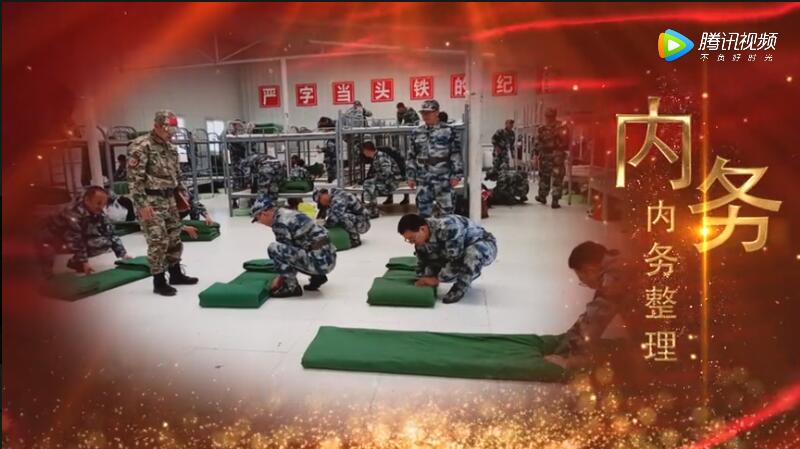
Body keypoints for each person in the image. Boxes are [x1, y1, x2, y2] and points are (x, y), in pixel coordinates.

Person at [128, 110, 198, 297]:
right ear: (157, 126)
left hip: (170, 199)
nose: (171, 135)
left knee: (174, 237)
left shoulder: (171, 149)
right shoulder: (141, 146)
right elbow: (134, 180)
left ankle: (175, 274)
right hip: (150, 201)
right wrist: (142, 204)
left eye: (173, 131)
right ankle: (159, 281)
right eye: (168, 131)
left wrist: (185, 196)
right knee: (158, 240)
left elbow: (177, 176)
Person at [544, 241, 635, 369]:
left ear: (589, 270)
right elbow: (590, 316)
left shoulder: (614, 279)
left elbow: (594, 321)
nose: (586, 284)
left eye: (582, 280)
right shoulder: (620, 264)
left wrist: (569, 362)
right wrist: (567, 340)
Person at [397, 213, 496, 304]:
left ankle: (461, 287)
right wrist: (422, 276)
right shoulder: (422, 237)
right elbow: (423, 262)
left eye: (412, 239)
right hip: (457, 250)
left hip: (483, 244)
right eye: (408, 240)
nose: (411, 243)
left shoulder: (448, 227)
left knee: (471, 254)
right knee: (432, 264)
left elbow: (456, 260)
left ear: (422, 229)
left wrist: (436, 279)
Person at [250, 195, 337, 297]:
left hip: (319, 262)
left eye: (258, 219)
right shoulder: (286, 213)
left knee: (274, 249)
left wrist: (280, 279)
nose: (260, 223)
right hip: (329, 257)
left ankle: (291, 287)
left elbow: (286, 257)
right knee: (297, 246)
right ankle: (318, 276)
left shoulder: (279, 223)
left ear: (264, 214)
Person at [39, 186, 130, 277]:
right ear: (87, 200)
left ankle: (76, 263)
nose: (101, 207)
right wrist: (85, 262)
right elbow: (75, 239)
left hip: (68, 238)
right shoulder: (72, 212)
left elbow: (110, 233)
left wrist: (123, 254)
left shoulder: (99, 213)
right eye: (98, 203)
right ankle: (44, 273)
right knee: (47, 249)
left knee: (103, 242)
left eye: (104, 204)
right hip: (51, 238)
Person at [407, 99, 463, 218]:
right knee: (423, 215)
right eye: (423, 113)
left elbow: (455, 153)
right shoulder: (417, 132)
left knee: (447, 214)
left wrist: (456, 175)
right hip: (423, 179)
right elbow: (411, 155)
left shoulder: (448, 131)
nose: (425, 115)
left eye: (428, 112)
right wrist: (411, 176)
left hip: (443, 178)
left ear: (437, 112)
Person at [534, 108, 569, 209]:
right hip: (557, 155)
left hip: (545, 156)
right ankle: (555, 200)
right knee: (557, 177)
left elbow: (538, 143)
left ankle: (542, 196)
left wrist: (536, 154)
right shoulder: (562, 126)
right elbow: (566, 141)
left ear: (546, 116)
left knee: (544, 177)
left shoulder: (542, 128)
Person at [361, 141, 401, 218]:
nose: (363, 153)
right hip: (386, 181)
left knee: (369, 186)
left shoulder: (381, 157)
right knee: (369, 186)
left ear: (367, 150)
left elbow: (387, 173)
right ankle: (372, 210)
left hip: (392, 182)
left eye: (363, 151)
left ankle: (371, 210)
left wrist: (374, 179)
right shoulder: (377, 156)